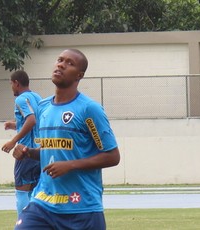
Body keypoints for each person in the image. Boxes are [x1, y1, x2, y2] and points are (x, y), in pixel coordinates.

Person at [12, 49, 120, 230]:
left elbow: (112, 156)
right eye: (60, 60)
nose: (61, 64)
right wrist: (28, 152)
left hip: (81, 206)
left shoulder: (89, 109)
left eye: (69, 63)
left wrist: (69, 165)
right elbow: (50, 151)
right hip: (43, 202)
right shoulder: (43, 107)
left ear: (79, 75)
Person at [2, 70, 41, 217]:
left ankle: (24, 225)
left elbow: (31, 120)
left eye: (11, 83)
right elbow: (34, 120)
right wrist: (14, 125)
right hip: (39, 152)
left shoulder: (20, 99)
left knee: (22, 191)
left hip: (25, 152)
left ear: (16, 83)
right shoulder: (37, 97)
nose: (11, 87)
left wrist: (13, 141)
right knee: (36, 192)